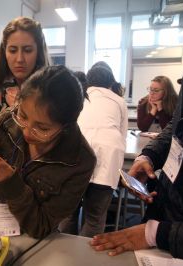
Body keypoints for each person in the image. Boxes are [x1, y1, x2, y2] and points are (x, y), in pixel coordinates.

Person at [0, 65, 96, 238]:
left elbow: (41, 227)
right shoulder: (8, 121)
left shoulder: (79, 160)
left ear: (66, 127)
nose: (27, 132)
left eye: (42, 128)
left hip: (36, 245)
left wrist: (10, 180)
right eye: (23, 115)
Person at [90, 69, 183, 260]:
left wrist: (156, 233)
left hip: (172, 234)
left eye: (156, 90)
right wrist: (148, 156)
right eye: (150, 89)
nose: (151, 93)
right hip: (166, 211)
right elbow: (175, 129)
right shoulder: (146, 102)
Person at [0, 16, 50, 218]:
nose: (20, 59)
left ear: (39, 51)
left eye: (27, 50)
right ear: (4, 51)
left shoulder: (50, 90)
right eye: (13, 50)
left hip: (39, 189)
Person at [59, 65, 128, 237]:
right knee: (94, 218)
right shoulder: (119, 101)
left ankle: (64, 257)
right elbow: (122, 136)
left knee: (68, 213)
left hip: (75, 156)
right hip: (108, 157)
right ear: (111, 83)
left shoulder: (78, 95)